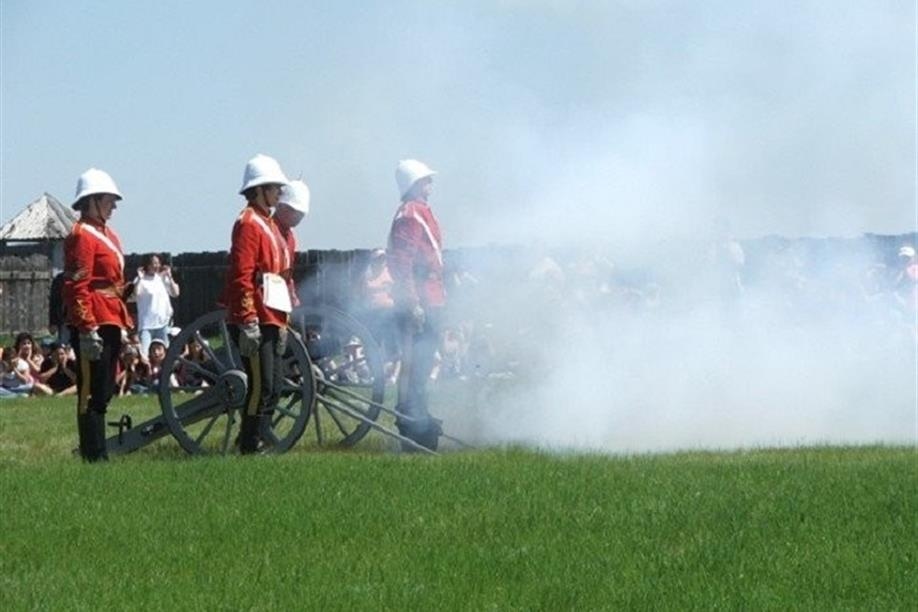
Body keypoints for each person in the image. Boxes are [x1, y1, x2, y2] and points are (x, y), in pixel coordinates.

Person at [223, 154, 291, 454]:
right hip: (257, 315)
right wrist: (248, 319)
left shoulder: (271, 225)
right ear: (259, 190)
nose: (278, 193)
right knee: (260, 385)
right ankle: (249, 444)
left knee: (274, 384)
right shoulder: (248, 223)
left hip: (273, 313)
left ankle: (259, 435)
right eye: (274, 187)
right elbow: (242, 275)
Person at [63, 168, 133, 462]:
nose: (113, 206)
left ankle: (98, 451)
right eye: (109, 200)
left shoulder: (110, 236)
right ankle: (93, 454)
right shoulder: (81, 235)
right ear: (92, 201)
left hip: (112, 316)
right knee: (90, 391)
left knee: (104, 389)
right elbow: (77, 285)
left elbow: (113, 283)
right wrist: (86, 327)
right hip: (93, 319)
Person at [386, 159, 445, 451]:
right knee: (413, 373)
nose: (430, 185)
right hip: (419, 302)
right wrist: (413, 303)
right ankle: (413, 432)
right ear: (415, 184)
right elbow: (402, 263)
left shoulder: (421, 212)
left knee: (422, 370)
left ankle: (421, 427)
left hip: (431, 297)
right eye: (426, 181)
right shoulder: (409, 215)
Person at [131, 253, 180, 356]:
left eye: (158, 263)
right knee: (145, 353)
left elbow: (175, 293)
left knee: (165, 354)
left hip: (162, 323)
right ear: (147, 265)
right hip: (146, 325)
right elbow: (135, 295)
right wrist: (139, 278)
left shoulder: (161, 278)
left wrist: (170, 277)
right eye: (153, 263)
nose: (156, 266)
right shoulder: (141, 280)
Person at [274, 179, 310, 309]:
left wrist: (291, 294)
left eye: (301, 214)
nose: (298, 216)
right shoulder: (266, 231)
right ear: (280, 206)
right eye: (294, 211)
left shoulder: (290, 239)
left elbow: (286, 273)